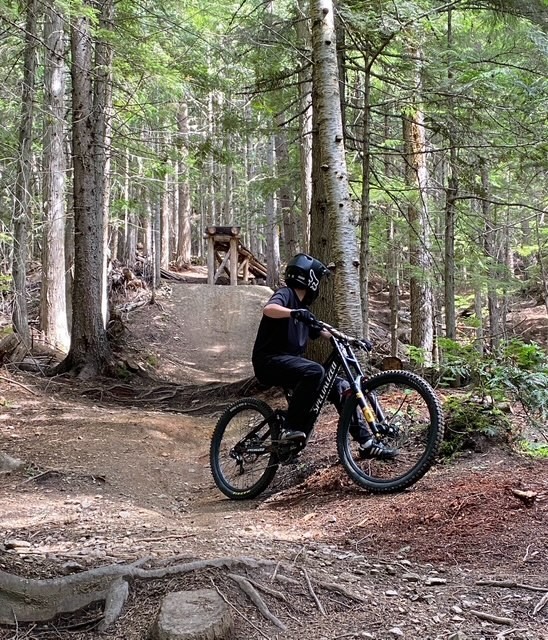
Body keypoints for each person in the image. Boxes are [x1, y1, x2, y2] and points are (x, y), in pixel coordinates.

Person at [252, 253, 396, 460]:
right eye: (318, 279)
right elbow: (269, 309)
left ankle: (366, 443)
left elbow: (326, 332)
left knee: (341, 386)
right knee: (315, 370)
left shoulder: (304, 310)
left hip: (291, 365)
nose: (318, 284)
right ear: (309, 278)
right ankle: (290, 428)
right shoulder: (286, 295)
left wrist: (353, 340)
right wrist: (293, 313)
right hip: (269, 361)